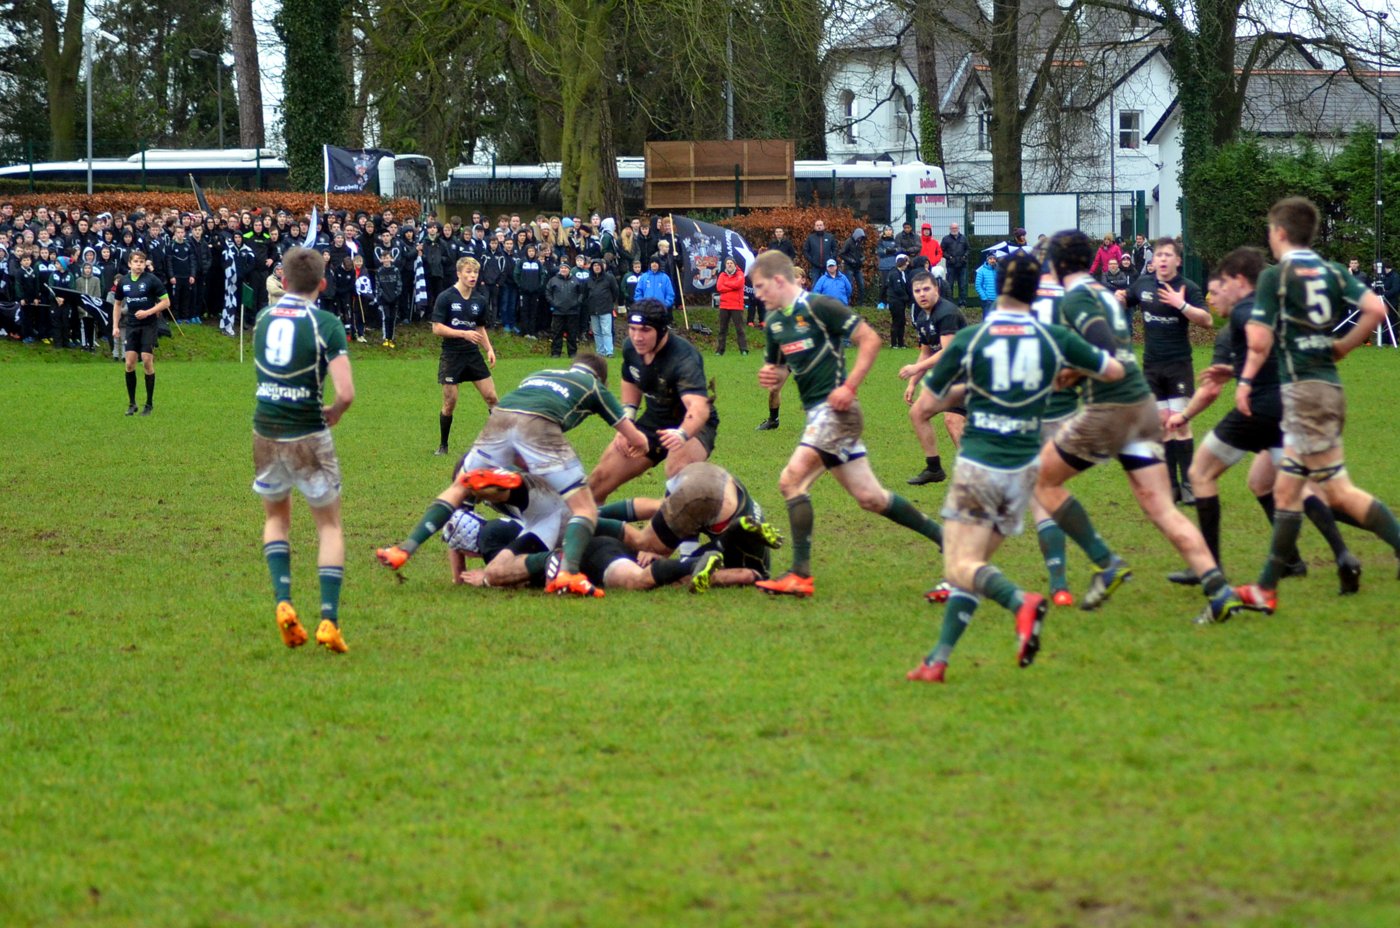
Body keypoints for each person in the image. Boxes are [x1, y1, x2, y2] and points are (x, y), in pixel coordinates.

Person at [907, 251, 1125, 684]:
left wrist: (971, 388)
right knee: (973, 568)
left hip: (981, 464)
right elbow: (1115, 369)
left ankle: (1019, 602)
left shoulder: (974, 338)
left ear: (1001, 285)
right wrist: (1069, 376)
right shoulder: (1053, 338)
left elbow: (929, 403)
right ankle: (937, 660)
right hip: (1024, 469)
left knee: (958, 567)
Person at [1033, 229, 1243, 624]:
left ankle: (1106, 562)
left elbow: (1104, 350)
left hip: (1111, 409)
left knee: (1041, 482)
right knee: (1160, 507)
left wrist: (1074, 371)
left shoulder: (1075, 298)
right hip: (1143, 407)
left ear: (1057, 263)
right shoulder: (1101, 293)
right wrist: (1077, 372)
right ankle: (1219, 590)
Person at [1234, 197, 1400, 614]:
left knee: (1335, 491)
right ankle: (1266, 588)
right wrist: (1343, 345)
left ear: (1280, 233)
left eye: (1270, 232)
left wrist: (1247, 374)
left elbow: (1259, 339)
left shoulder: (1275, 276)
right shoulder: (1333, 271)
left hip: (1304, 393)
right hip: (1327, 387)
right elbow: (1376, 308)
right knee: (1287, 489)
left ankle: (1267, 589)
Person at [748, 251, 944, 597]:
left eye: (761, 287)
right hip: (819, 415)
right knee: (871, 498)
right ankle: (946, 538)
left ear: (779, 280)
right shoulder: (775, 322)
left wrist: (849, 387)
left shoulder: (820, 307)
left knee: (791, 481)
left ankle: (800, 574)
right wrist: (771, 376)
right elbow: (779, 371)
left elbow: (870, 340)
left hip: (837, 412)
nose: (757, 294)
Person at [1162, 248, 1356, 590]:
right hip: (1291, 406)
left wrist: (1187, 413)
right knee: (1280, 484)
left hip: (1259, 408)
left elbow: (1245, 355)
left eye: (1218, 288)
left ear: (1238, 283)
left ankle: (1209, 568)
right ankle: (1336, 556)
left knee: (1201, 473)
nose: (1213, 298)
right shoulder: (1275, 310)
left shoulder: (1244, 314)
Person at [376, 355, 650, 597]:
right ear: (602, 379)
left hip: (500, 417)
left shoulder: (540, 374)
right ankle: (567, 572)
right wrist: (643, 445)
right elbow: (633, 435)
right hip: (539, 429)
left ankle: (404, 548)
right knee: (585, 509)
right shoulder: (593, 386)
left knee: (460, 486)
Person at [251, 246, 355, 654]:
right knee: (329, 526)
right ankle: (329, 621)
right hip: (307, 430)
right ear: (322, 284)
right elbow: (345, 392)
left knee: (277, 519)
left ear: (283, 279)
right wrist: (336, 413)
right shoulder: (326, 323)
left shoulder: (263, 317)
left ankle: (284, 601)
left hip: (265, 429)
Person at [587, 301, 718, 502]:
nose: (637, 337)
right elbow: (630, 379)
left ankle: (695, 517)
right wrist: (627, 423)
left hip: (693, 424)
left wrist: (682, 434)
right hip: (656, 420)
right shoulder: (631, 348)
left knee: (677, 472)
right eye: (633, 329)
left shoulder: (683, 357)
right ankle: (589, 522)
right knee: (598, 482)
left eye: (645, 330)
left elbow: (698, 407)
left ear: (662, 330)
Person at [1118, 237, 1212, 503]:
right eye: (1159, 255)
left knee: (1179, 423)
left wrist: (1180, 304)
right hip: (1151, 366)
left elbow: (1207, 320)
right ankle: (1171, 486)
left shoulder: (1187, 287)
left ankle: (1189, 485)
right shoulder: (1144, 284)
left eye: (1168, 255)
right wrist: (1119, 298)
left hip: (1178, 365)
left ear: (1177, 261)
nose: (1162, 259)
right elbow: (1127, 299)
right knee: (1162, 426)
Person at [599, 461, 784, 589]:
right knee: (659, 547)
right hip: (722, 493)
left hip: (701, 475)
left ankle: (593, 517)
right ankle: (593, 516)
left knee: (657, 539)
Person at [899, 272, 967, 485]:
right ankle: (934, 468)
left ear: (936, 289)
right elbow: (926, 352)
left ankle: (975, 473)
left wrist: (915, 368)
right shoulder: (922, 317)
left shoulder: (947, 313)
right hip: (950, 377)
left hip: (969, 374)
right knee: (918, 413)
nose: (922, 294)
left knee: (953, 420)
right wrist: (913, 382)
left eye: (926, 289)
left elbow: (948, 351)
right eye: (917, 291)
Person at [431, 256, 498, 456]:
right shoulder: (446, 297)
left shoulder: (479, 300)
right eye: (468, 272)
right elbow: (437, 328)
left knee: (492, 397)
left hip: (472, 354)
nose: (472, 276)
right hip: (452, 355)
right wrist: (463, 334)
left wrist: (489, 349)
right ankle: (443, 445)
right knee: (450, 402)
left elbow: (479, 327)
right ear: (459, 273)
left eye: (475, 272)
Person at [112, 250, 170, 417]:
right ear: (130, 264)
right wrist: (115, 326)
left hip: (149, 325)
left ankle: (149, 404)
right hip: (132, 326)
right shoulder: (123, 282)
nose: (138, 265)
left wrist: (148, 312)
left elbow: (166, 302)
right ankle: (132, 404)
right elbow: (117, 304)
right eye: (136, 261)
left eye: (141, 262)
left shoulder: (151, 280)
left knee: (146, 360)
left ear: (145, 264)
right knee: (129, 363)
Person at [584, 256, 621, 357]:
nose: (596, 267)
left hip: (606, 308)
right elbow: (585, 294)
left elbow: (615, 291)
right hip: (593, 309)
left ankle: (609, 351)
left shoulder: (609, 278)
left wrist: (609, 302)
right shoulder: (588, 280)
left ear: (602, 266)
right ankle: (600, 352)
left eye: (598, 265)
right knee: (596, 332)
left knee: (606, 331)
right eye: (594, 265)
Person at [545, 262, 584, 357]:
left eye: (565, 268)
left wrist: (577, 303)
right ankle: (556, 352)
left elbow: (582, 293)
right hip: (558, 311)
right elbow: (548, 293)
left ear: (569, 270)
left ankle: (572, 353)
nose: (563, 270)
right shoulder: (553, 280)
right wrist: (553, 303)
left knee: (572, 333)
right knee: (556, 333)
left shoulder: (576, 280)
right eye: (562, 268)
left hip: (572, 311)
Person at [714, 257, 748, 355]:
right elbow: (719, 287)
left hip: (736, 306)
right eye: (727, 263)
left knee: (739, 329)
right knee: (722, 329)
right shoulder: (722, 275)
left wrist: (726, 284)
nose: (729, 265)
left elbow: (739, 284)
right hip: (724, 305)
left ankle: (744, 350)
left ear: (734, 264)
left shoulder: (740, 274)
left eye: (731, 263)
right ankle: (720, 350)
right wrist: (732, 286)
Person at [880, 254, 913, 348]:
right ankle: (894, 343)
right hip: (895, 301)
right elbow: (898, 289)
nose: (906, 266)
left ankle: (900, 343)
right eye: (905, 265)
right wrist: (906, 297)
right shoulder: (895, 274)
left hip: (899, 301)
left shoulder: (899, 273)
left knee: (901, 321)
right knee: (897, 322)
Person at [374, 248, 402, 348]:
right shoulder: (379, 271)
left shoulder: (396, 270)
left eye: (387, 258)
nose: (386, 260)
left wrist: (395, 295)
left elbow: (399, 285)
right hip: (384, 299)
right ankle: (386, 338)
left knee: (393, 318)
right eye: (384, 258)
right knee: (386, 317)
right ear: (381, 260)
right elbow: (378, 286)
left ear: (391, 259)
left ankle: (391, 338)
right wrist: (384, 296)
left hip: (394, 299)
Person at [941, 223, 970, 306]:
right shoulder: (945, 239)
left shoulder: (964, 238)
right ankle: (950, 303)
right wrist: (949, 257)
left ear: (958, 228)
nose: (954, 229)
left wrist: (965, 256)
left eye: (956, 228)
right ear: (950, 229)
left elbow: (968, 249)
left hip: (962, 265)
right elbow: (941, 251)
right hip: (951, 265)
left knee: (962, 285)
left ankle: (962, 303)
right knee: (950, 284)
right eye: (953, 228)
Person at [838, 227, 867, 304]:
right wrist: (850, 260)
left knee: (861, 285)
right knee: (849, 286)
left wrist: (862, 258)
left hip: (858, 268)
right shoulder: (848, 242)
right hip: (849, 267)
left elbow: (862, 254)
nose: (860, 239)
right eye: (860, 237)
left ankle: (860, 303)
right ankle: (846, 302)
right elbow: (841, 254)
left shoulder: (860, 242)